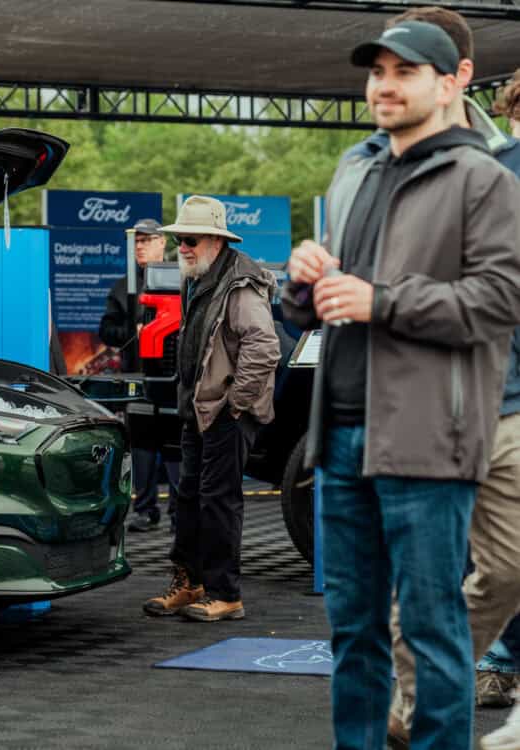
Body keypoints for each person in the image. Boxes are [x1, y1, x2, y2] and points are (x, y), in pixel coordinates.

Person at [282, 20, 520, 749]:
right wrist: (300, 286)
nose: (384, 84)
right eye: (376, 70)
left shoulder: (483, 176)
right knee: (353, 632)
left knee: (432, 627)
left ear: (449, 85)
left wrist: (382, 300)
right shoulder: (354, 166)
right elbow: (320, 306)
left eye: (405, 71)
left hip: (428, 439)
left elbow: (499, 299)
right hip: (340, 436)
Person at [142, 195, 279, 622]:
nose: (182, 246)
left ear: (216, 241)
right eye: (179, 239)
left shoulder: (240, 282)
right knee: (188, 500)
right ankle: (191, 583)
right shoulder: (199, 278)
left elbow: (264, 346)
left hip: (224, 413)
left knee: (218, 502)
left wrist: (234, 404)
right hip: (198, 410)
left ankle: (225, 593)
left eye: (190, 239)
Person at [99, 218, 173, 531]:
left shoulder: (180, 280)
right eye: (136, 241)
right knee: (142, 445)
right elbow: (107, 330)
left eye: (146, 240)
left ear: (162, 243)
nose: (140, 246)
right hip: (138, 378)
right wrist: (133, 330)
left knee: (174, 444)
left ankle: (180, 515)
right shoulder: (122, 286)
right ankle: (145, 509)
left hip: (172, 378)